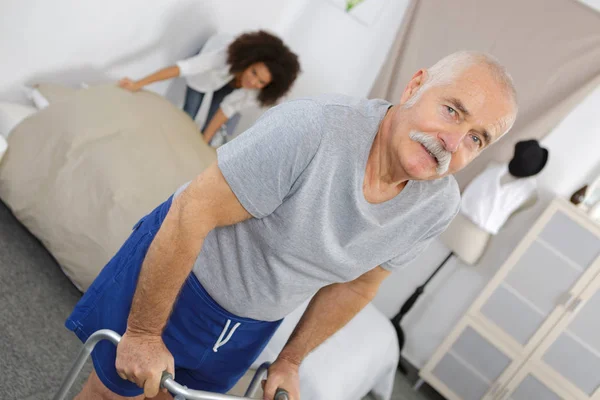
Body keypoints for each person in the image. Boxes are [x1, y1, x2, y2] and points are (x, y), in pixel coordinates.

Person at [66, 50, 518, 400]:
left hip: (252, 322)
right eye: (452, 111)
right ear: (415, 85)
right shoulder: (314, 129)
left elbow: (357, 286)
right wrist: (144, 334)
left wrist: (291, 360)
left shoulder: (437, 205)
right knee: (112, 392)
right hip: (185, 279)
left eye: (477, 138)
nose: (453, 142)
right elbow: (192, 211)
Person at [118, 30, 300, 145]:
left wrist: (202, 146)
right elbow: (181, 68)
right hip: (210, 72)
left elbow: (225, 110)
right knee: (189, 114)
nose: (254, 83)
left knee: (207, 131)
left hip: (232, 82)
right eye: (254, 73)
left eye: (262, 82)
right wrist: (137, 84)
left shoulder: (253, 90)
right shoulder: (220, 57)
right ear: (248, 61)